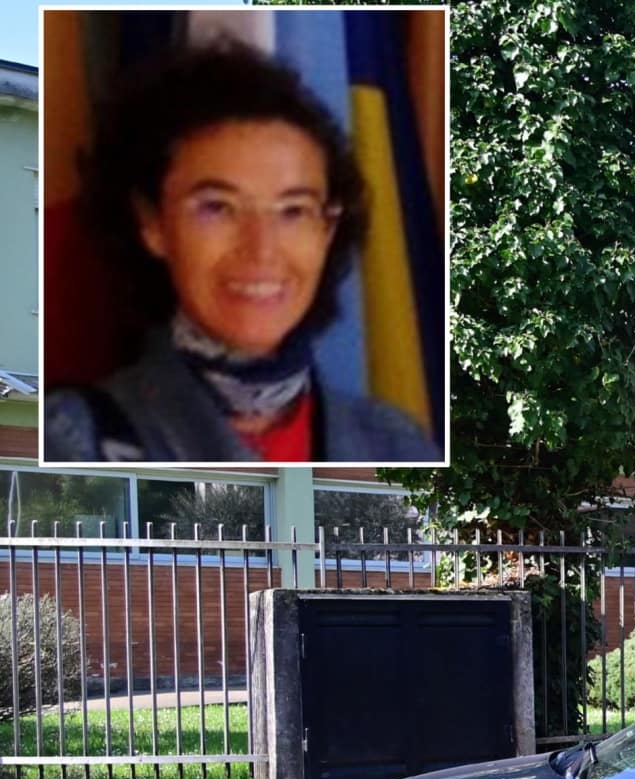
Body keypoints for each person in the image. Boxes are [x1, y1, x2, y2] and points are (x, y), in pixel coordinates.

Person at [45, 42, 439, 464]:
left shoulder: (399, 446)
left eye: (293, 210)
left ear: (328, 228)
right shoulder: (67, 443)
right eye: (217, 208)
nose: (262, 250)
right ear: (153, 224)